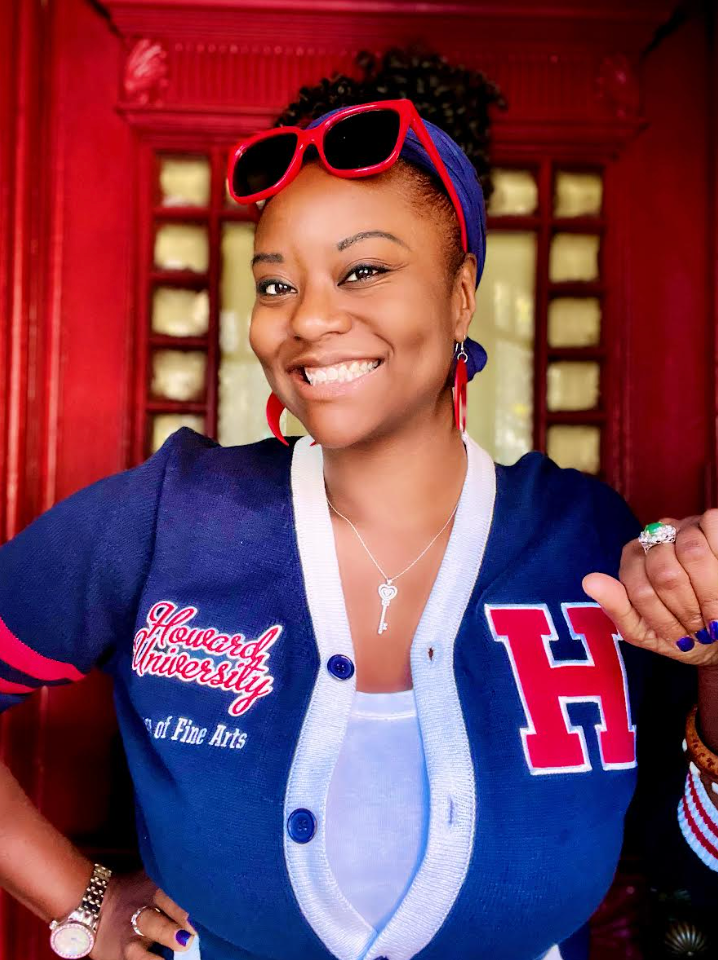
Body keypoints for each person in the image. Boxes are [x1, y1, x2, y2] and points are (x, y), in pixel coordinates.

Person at [1, 97, 717, 960]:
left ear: (460, 299)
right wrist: (86, 902)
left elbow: (703, 859)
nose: (305, 318)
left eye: (363, 271)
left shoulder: (589, 539)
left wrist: (716, 661)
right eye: (275, 283)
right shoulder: (166, 518)